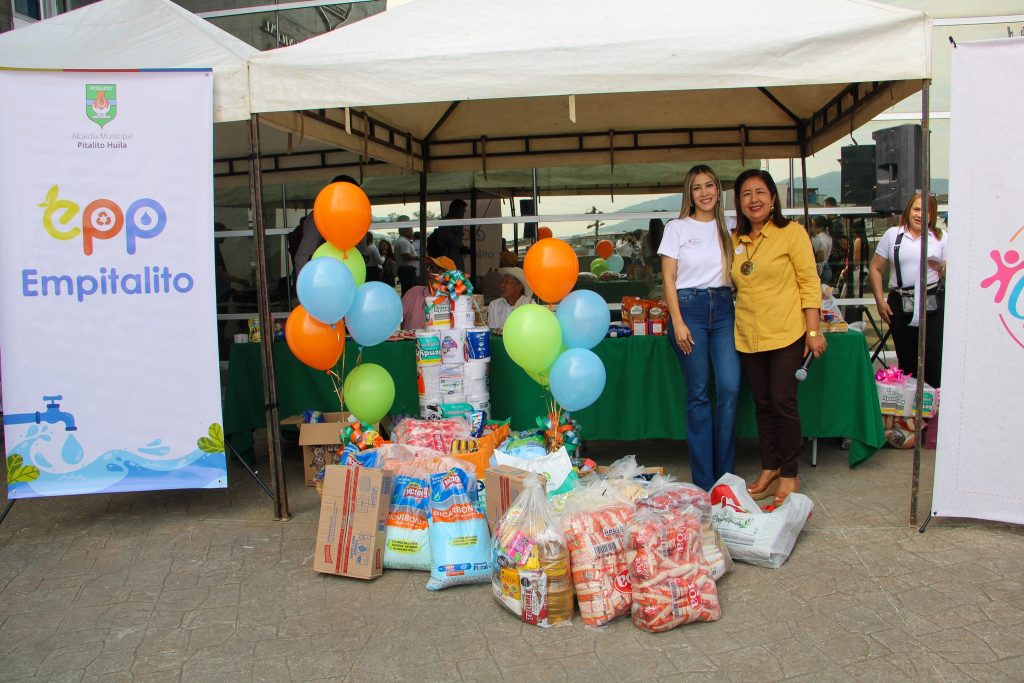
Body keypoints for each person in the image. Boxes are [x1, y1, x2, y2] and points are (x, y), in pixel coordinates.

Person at [732, 169, 824, 507]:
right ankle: (769, 468)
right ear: (739, 204)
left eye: (760, 192)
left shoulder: (792, 233)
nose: (753, 199)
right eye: (746, 194)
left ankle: (790, 473)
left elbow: (809, 282)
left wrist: (813, 331)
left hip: (786, 333)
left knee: (783, 403)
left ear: (773, 199)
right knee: (762, 404)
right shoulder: (735, 241)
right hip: (748, 336)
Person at [657, 165, 740, 492]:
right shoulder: (677, 228)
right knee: (700, 393)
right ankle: (705, 484)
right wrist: (677, 322)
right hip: (688, 308)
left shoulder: (730, 227)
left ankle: (726, 476)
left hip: (723, 309)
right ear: (689, 194)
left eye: (710, 186)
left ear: (718, 191)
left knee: (731, 387)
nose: (704, 192)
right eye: (697, 187)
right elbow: (668, 279)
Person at [869, 193, 946, 388]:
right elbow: (876, 268)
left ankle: (933, 410)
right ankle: (909, 411)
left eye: (926, 211)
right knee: (907, 359)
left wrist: (942, 269)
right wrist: (880, 301)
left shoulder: (941, 237)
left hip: (932, 301)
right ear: (909, 210)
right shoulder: (893, 235)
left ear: (932, 215)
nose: (920, 215)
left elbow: (954, 274)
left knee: (933, 359)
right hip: (900, 301)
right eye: (916, 209)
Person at [291, 174, 359, 276]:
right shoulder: (319, 217)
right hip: (317, 281)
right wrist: (308, 286)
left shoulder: (340, 218)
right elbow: (302, 256)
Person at [401, 256, 456, 330]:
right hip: (410, 341)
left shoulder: (456, 301)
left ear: (448, 276)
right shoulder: (413, 292)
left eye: (434, 268)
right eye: (428, 267)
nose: (429, 271)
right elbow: (394, 321)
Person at [427, 199, 470, 272]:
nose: (463, 214)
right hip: (448, 259)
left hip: (455, 258)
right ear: (455, 210)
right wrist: (462, 248)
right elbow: (452, 239)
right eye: (462, 211)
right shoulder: (445, 223)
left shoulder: (456, 223)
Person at [394, 224, 419, 295]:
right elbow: (405, 255)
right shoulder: (403, 242)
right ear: (406, 231)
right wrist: (417, 257)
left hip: (406, 270)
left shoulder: (403, 241)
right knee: (409, 291)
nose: (412, 233)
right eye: (411, 231)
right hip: (407, 270)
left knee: (407, 290)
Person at [811, 215, 834, 284]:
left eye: (813, 225)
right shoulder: (827, 236)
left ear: (820, 227)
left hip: (822, 269)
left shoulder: (821, 239)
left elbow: (820, 259)